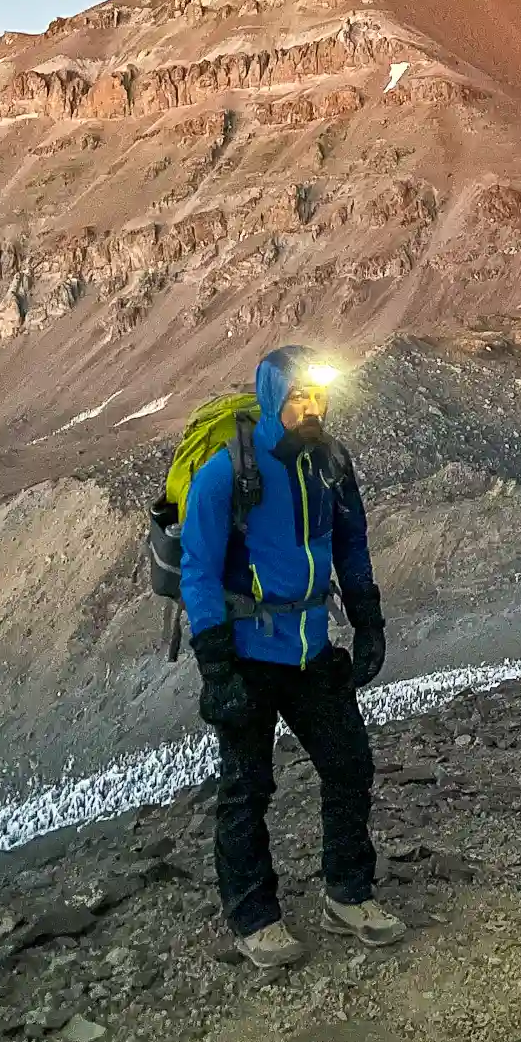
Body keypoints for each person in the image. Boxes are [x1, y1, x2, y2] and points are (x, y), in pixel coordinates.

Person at [179, 346, 404, 968]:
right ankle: (254, 918)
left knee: (349, 764)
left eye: (319, 396)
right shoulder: (229, 472)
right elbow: (198, 569)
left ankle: (349, 893)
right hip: (249, 652)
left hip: (310, 649)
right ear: (275, 399)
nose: (311, 407)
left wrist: (368, 623)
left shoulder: (331, 463)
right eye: (298, 397)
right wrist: (216, 666)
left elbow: (352, 545)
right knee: (247, 788)